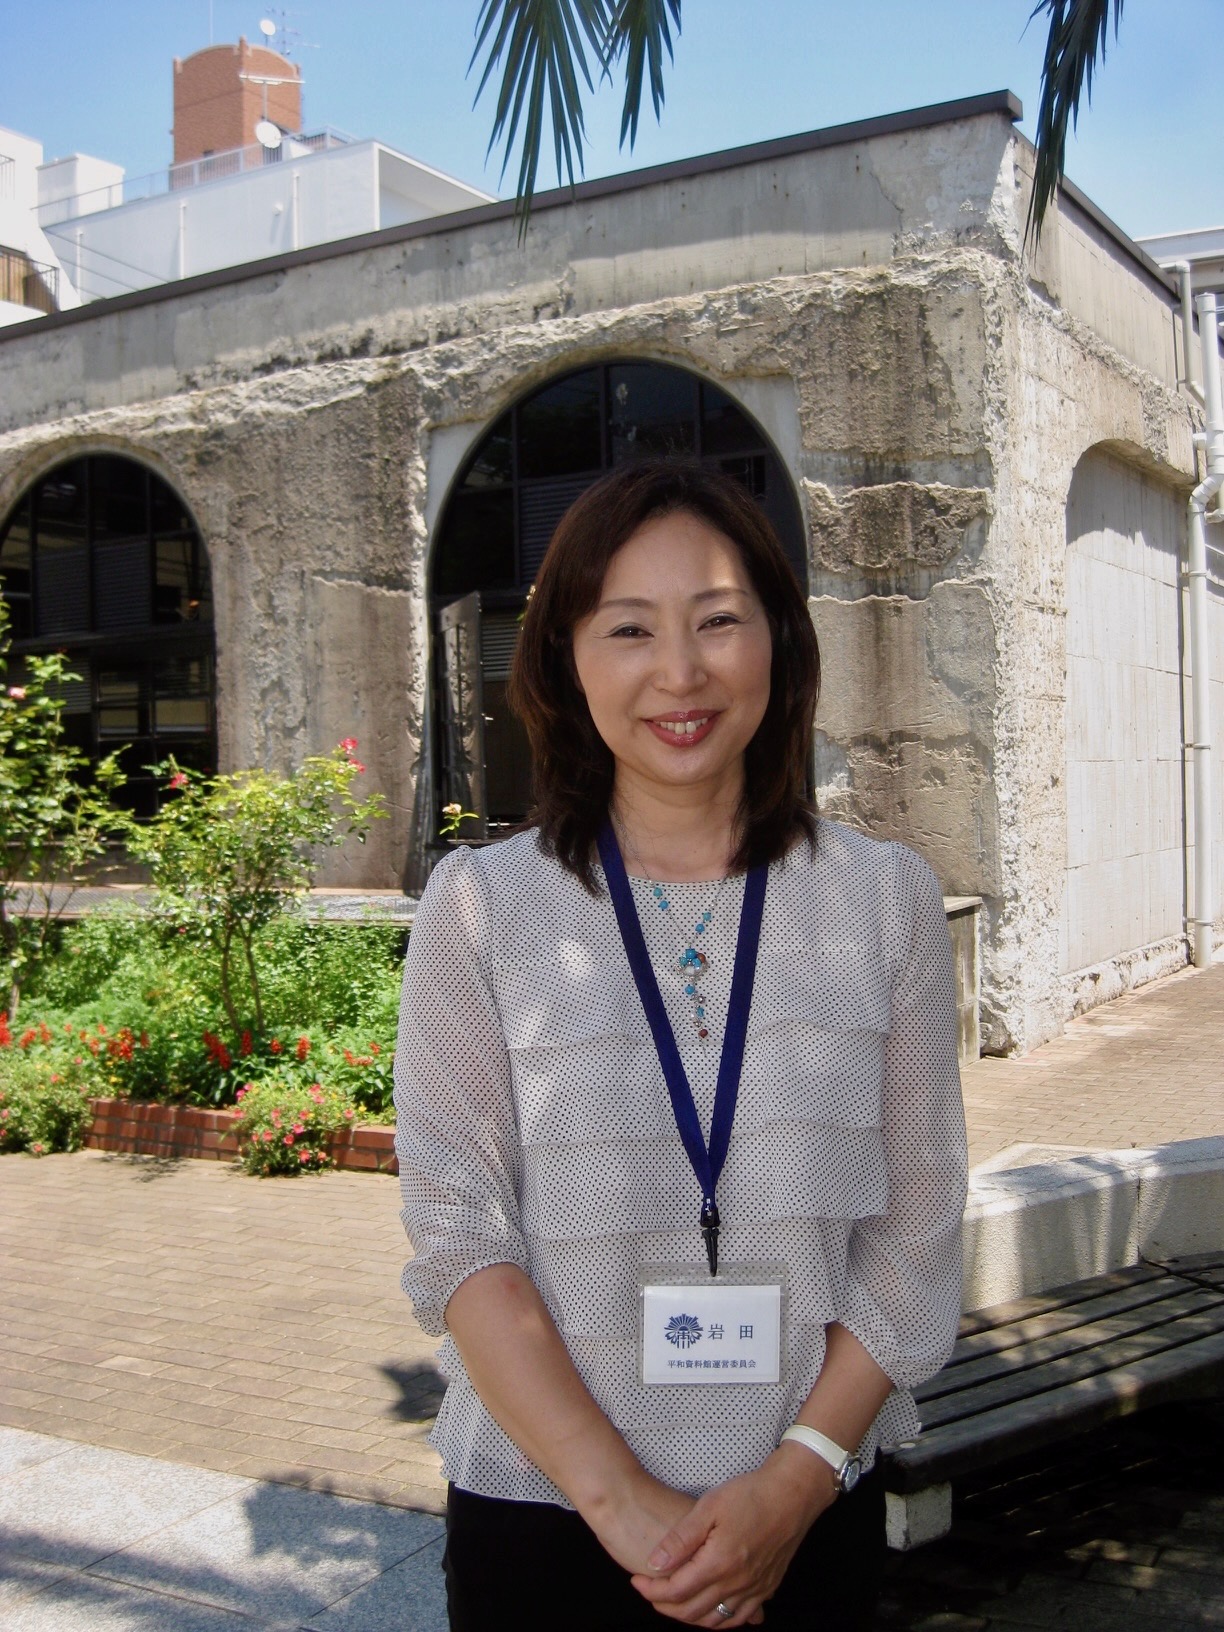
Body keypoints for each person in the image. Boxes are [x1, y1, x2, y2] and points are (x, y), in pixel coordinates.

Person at [394, 459, 967, 1630]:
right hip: (546, 1519)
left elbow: (917, 1221)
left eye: (717, 621)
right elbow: (459, 1233)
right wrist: (623, 1505)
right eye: (629, 629)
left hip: (805, 1515)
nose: (681, 672)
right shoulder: (484, 909)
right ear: (566, 658)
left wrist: (798, 1479)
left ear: (780, 641)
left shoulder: (884, 899)